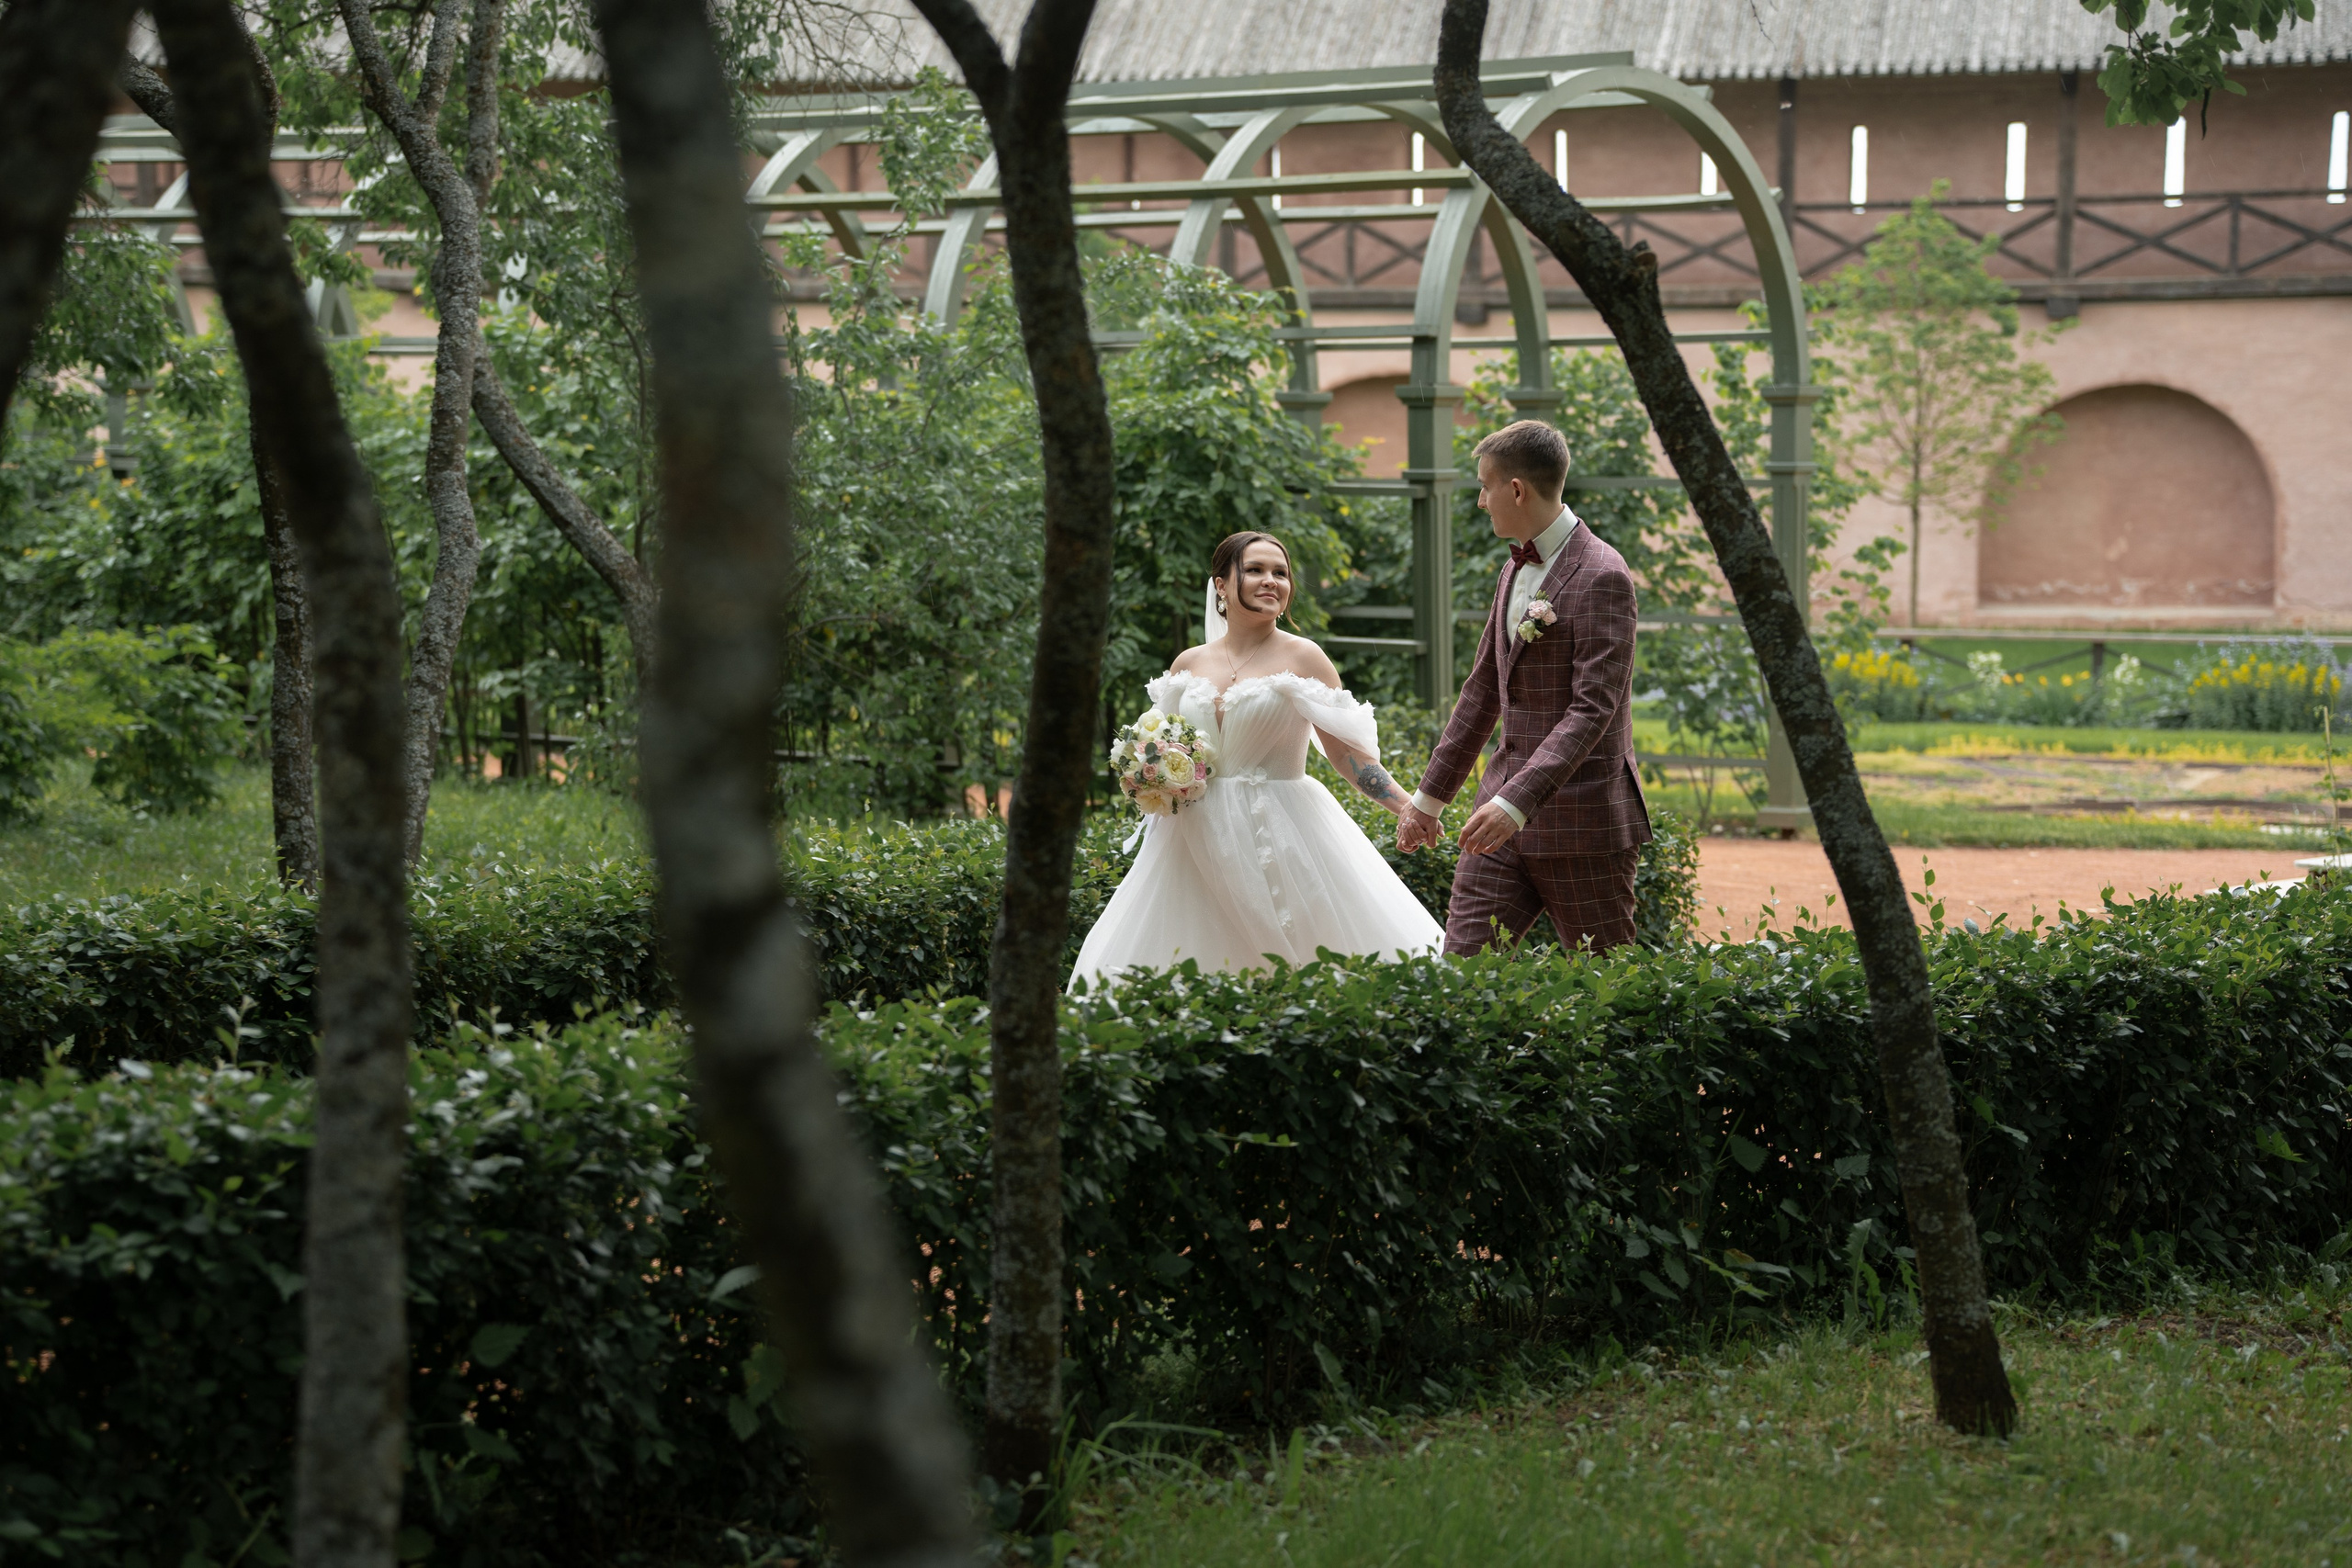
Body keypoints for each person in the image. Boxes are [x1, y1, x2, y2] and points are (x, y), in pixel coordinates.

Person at [1069, 530, 1443, 988]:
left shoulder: (1304, 656)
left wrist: (1409, 808)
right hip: (1190, 834)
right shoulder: (1188, 663)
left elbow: (1346, 753)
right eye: (1255, 570)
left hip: (1284, 829)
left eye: (1280, 573)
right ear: (1222, 584)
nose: (1271, 581)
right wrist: (1152, 774)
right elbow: (1161, 741)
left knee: (1305, 961)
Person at [1396, 420, 1652, 953]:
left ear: (1516, 489)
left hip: (1582, 825)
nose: (1481, 501)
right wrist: (1428, 801)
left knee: (1611, 986)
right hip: (1497, 822)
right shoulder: (1512, 569)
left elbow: (1591, 711)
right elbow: (1482, 691)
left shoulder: (1604, 575)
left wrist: (1515, 804)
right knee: (1461, 974)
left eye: (1485, 487)